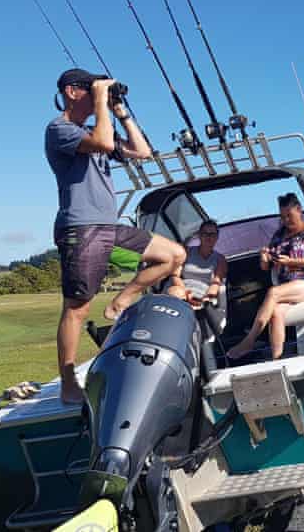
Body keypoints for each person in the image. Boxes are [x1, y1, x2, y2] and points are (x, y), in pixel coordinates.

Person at [46, 68, 186, 403]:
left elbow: (142, 151)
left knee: (174, 255)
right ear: (71, 92)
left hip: (107, 226)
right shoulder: (60, 129)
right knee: (77, 308)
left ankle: (121, 302)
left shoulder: (97, 128)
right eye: (90, 87)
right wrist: (101, 103)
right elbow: (104, 142)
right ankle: (68, 384)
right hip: (81, 227)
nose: (99, 94)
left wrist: (120, 111)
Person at [227, 193, 304, 360]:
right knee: (275, 313)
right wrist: (264, 258)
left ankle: (250, 340)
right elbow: (265, 267)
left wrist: (292, 262)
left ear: (299, 210)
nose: (286, 220)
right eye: (282, 217)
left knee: (273, 292)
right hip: (287, 289)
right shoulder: (279, 235)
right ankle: (277, 360)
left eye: (289, 216)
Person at [167, 220, 228, 372]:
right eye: (205, 234)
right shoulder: (186, 252)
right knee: (174, 293)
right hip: (182, 290)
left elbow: (216, 283)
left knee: (202, 312)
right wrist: (185, 293)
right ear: (199, 236)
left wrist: (206, 298)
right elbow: (175, 275)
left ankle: (203, 363)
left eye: (213, 234)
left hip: (203, 295)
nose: (209, 237)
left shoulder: (220, 259)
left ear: (217, 237)